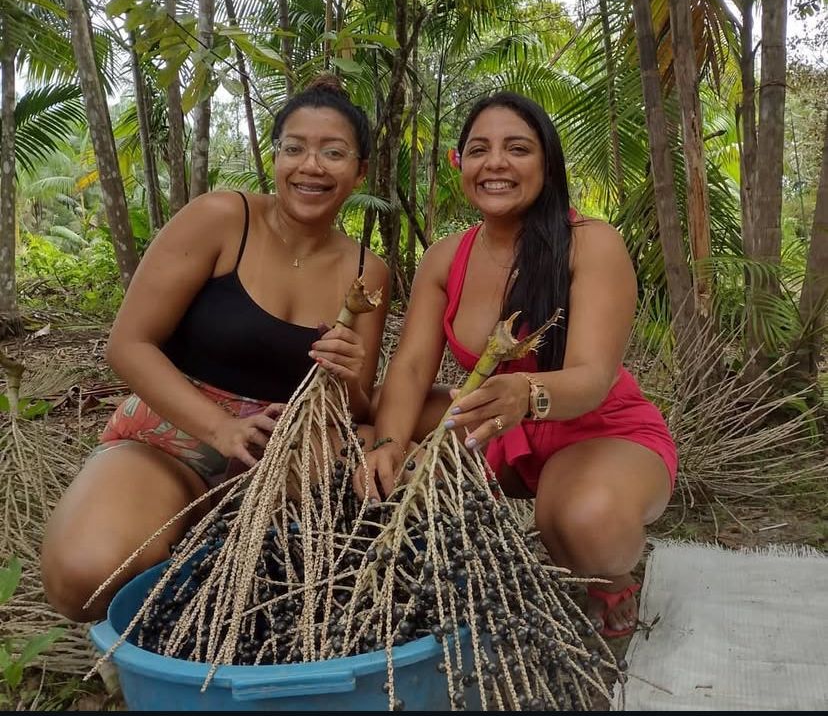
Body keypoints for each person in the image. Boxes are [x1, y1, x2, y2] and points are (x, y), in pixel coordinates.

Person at [41, 76, 389, 623]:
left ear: (361, 171)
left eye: (334, 152)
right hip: (172, 435)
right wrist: (219, 428)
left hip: (282, 458)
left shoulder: (368, 270)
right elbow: (129, 345)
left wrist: (346, 378)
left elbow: (358, 411)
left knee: (310, 588)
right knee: (86, 574)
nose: (311, 166)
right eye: (294, 148)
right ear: (274, 157)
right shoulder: (224, 219)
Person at [358, 92, 676, 639]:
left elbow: (593, 377)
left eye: (517, 149)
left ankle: (611, 577)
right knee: (370, 430)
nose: (496, 163)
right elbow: (410, 372)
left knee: (580, 518)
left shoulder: (590, 244)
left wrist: (526, 394)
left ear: (547, 164)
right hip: (496, 425)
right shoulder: (444, 257)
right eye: (479, 150)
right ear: (460, 165)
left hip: (597, 429)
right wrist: (389, 445)